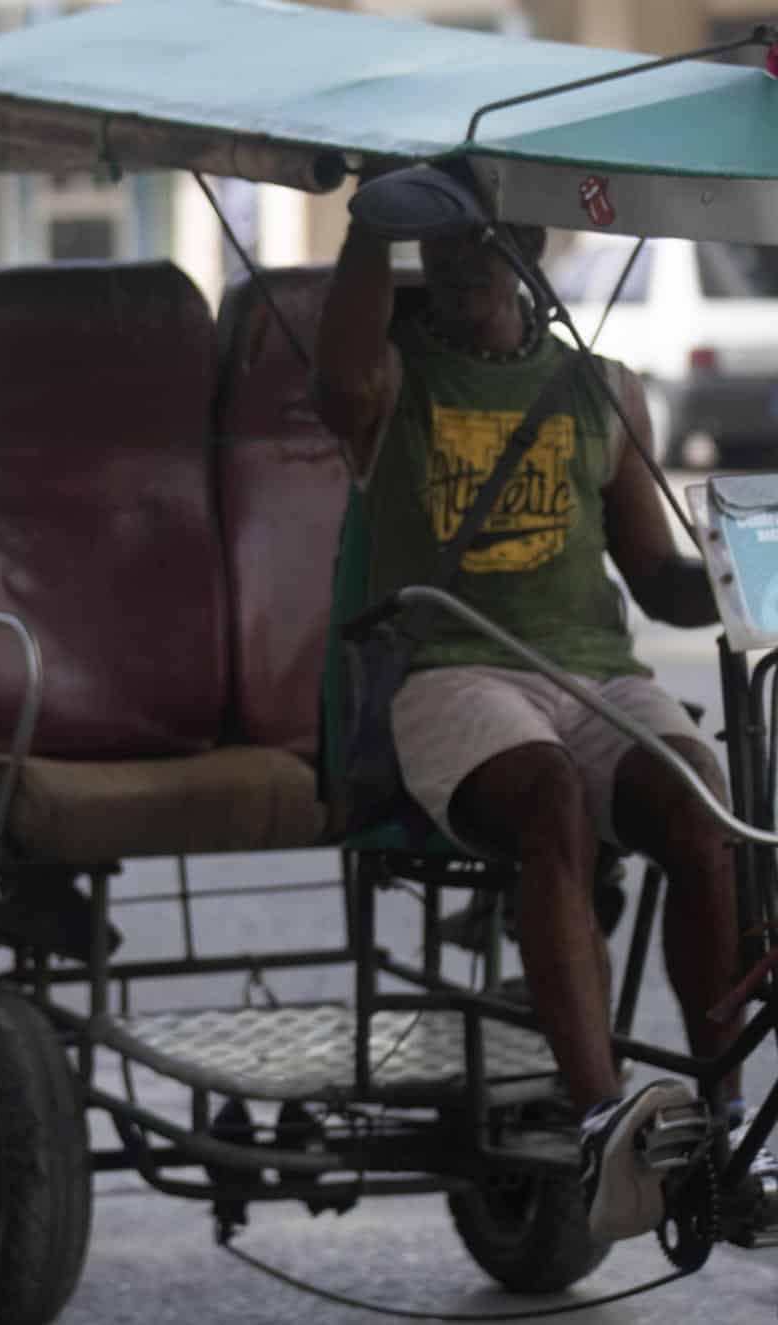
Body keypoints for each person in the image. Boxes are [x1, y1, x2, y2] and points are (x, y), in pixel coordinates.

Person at [313, 202, 771, 1243]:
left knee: (706, 818)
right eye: (441, 241)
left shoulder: (602, 388)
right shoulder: (391, 379)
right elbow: (335, 384)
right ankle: (602, 1110)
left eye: (484, 236)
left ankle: (728, 1116)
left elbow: (657, 579)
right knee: (552, 796)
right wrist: (364, 231)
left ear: (535, 247)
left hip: (597, 674)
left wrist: (747, 579)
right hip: (449, 668)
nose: (460, 260)